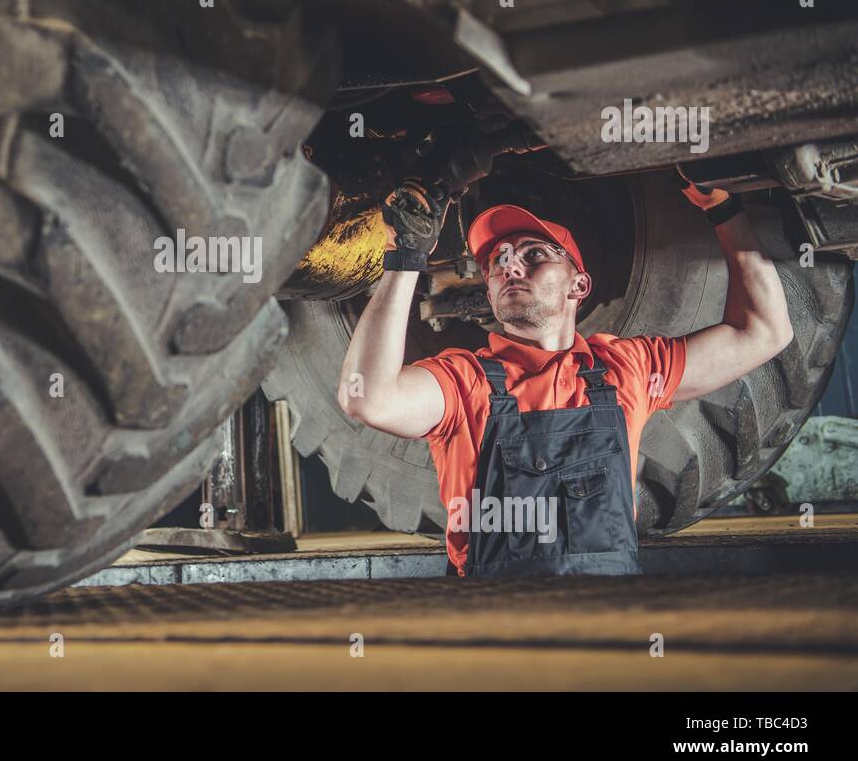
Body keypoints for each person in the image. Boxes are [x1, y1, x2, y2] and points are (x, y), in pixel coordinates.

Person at [337, 174, 793, 576]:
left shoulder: (626, 369)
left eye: (534, 254)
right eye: (498, 260)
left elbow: (764, 331)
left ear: (579, 285)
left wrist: (724, 209)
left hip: (609, 613)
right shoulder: (464, 382)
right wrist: (405, 260)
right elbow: (368, 398)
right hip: (499, 621)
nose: (509, 265)